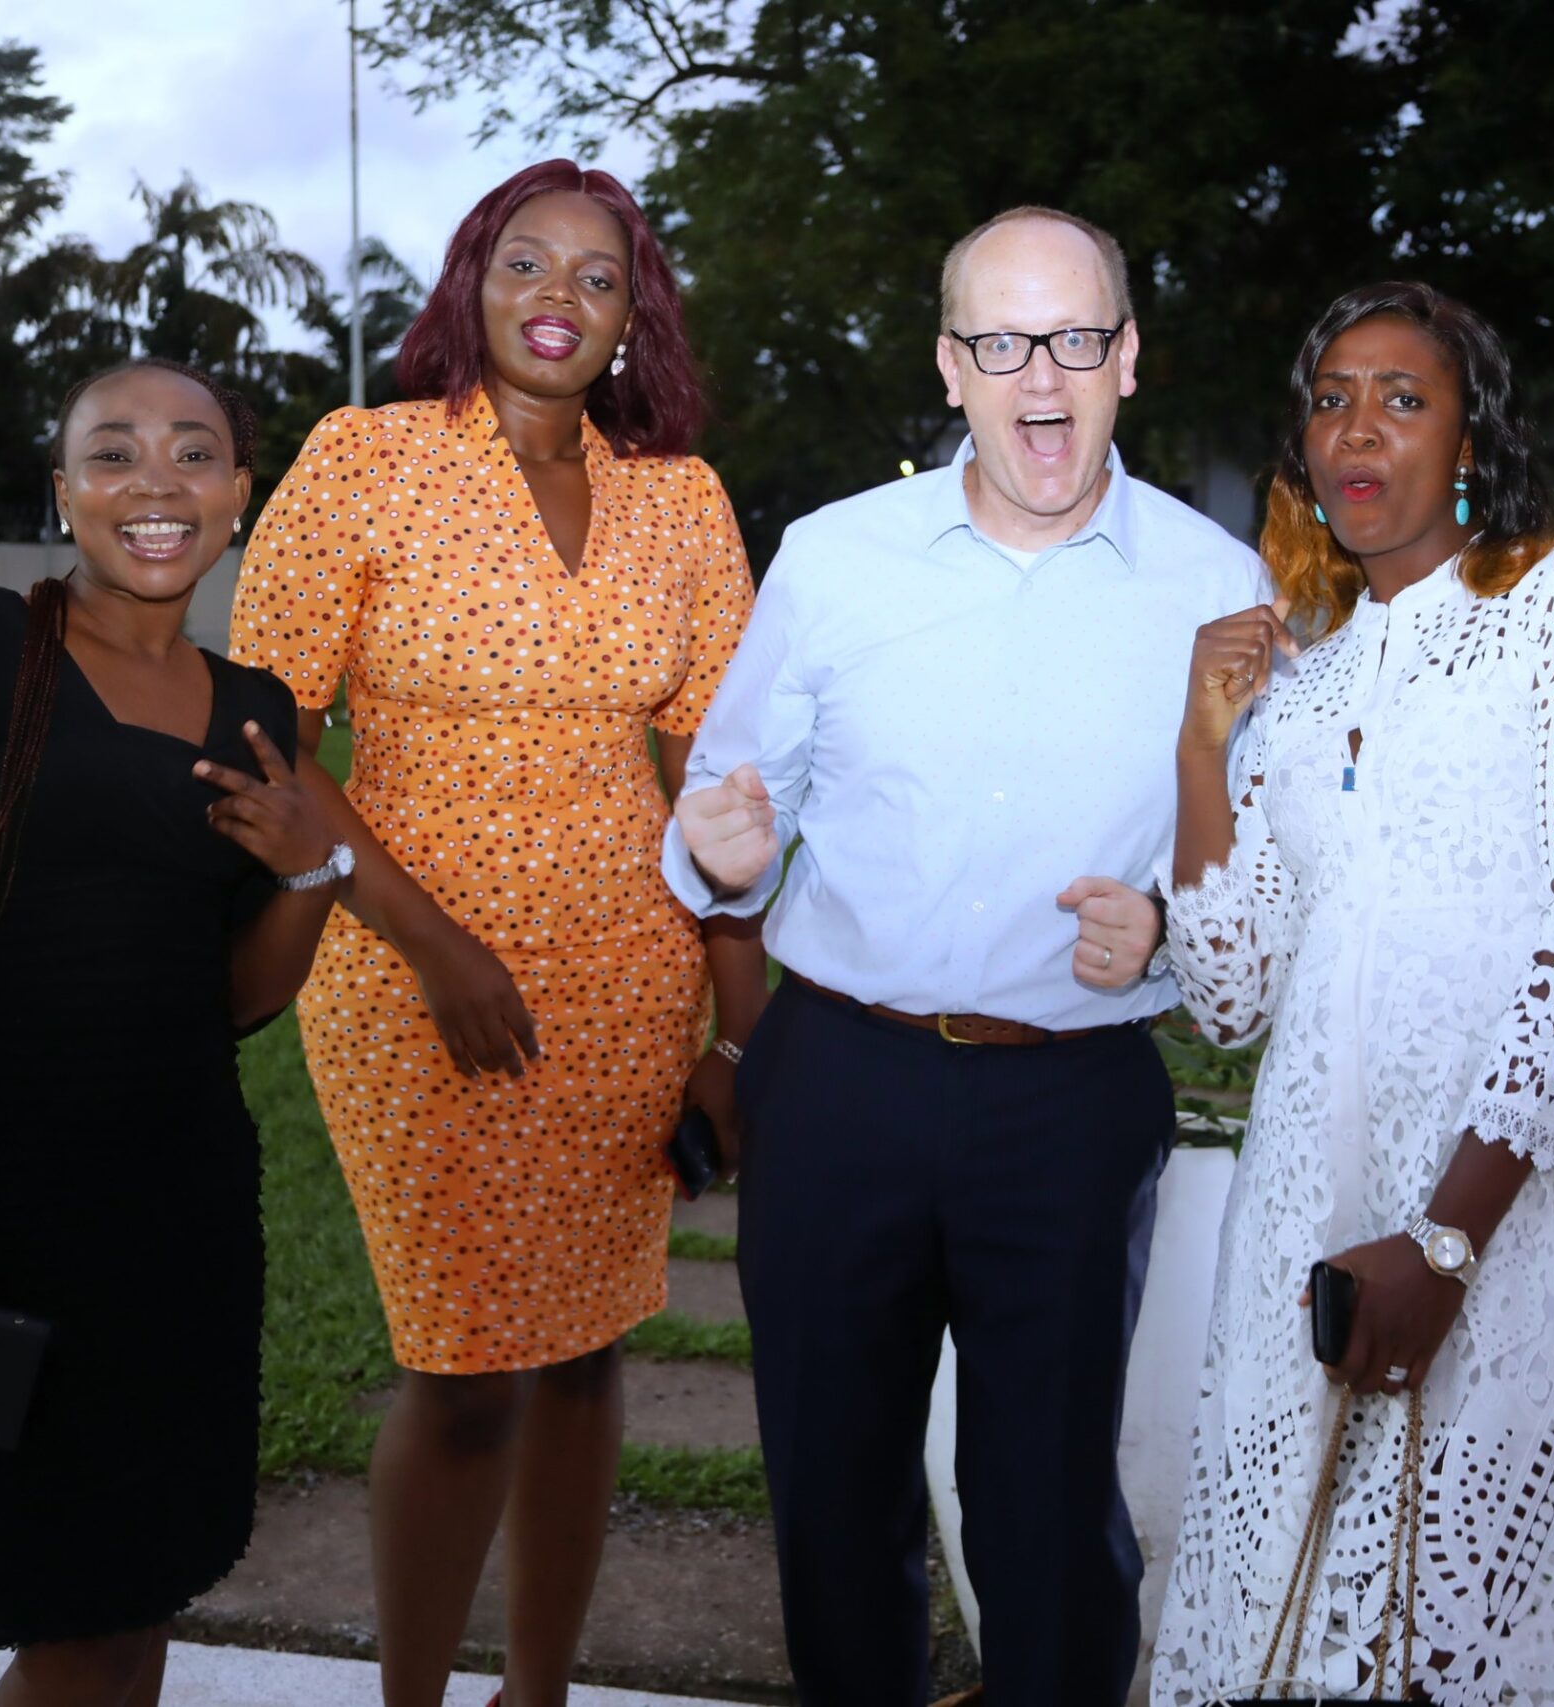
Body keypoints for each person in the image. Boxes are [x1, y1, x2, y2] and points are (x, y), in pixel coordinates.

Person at [662, 206, 1271, 1706]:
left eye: (1075, 340)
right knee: (832, 1491)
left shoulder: (1220, 590)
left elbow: (1247, 863)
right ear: (952, 367)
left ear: (1127, 356)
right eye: (1004, 344)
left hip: (1067, 1099)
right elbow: (725, 808)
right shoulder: (833, 558)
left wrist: (1178, 944)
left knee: (1051, 1507)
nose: (1041, 380)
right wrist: (714, 855)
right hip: (838, 1084)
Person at [1147, 283, 1554, 1706]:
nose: (1361, 427)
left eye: (1405, 399)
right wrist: (1196, 748)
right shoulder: (1299, 689)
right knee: (1313, 1629)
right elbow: (1230, 993)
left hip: (1516, 1215)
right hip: (1315, 1215)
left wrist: (1449, 1239)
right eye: (1333, 398)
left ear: (1472, 438)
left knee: (1495, 1631)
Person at [228, 159, 764, 1707]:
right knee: (462, 1368)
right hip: (409, 976)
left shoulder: (683, 499)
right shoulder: (366, 462)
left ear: (629, 321)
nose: (558, 297)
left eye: (597, 278)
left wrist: (734, 1032)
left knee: (590, 1353)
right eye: (526, 262)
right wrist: (438, 947)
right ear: (473, 283)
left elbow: (717, 782)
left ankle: (537, 1691)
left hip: (629, 978)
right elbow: (277, 749)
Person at [0, 358, 344, 1703]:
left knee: (144, 1593)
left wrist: (311, 872)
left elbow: (235, 1003)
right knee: (71, 1621)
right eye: (114, 453)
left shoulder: (259, 709)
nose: (155, 482)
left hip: (187, 1219)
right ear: (63, 493)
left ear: (238, 495)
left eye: (193, 453)